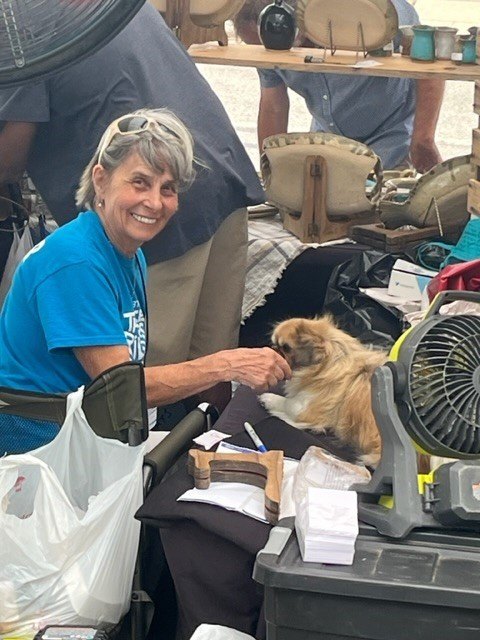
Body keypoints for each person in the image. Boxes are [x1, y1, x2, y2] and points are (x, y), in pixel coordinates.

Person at [0, 2, 265, 412]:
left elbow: (10, 156)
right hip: (219, 178)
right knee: (204, 380)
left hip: (162, 205)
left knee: (158, 387)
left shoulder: (26, 29)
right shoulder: (110, 6)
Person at [0, 108, 291, 456]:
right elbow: (120, 389)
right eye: (140, 182)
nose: (154, 202)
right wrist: (228, 364)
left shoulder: (126, 251)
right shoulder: (75, 261)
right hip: (37, 450)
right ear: (101, 180)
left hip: (83, 434)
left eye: (167, 188)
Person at [233, 0, 445, 173]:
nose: (268, 53)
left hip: (391, 136)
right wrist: (270, 168)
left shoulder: (377, 15)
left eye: (273, 46)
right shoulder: (265, 43)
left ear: (294, 23)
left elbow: (430, 69)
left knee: (382, 214)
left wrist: (423, 140)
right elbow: (273, 106)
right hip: (329, 141)